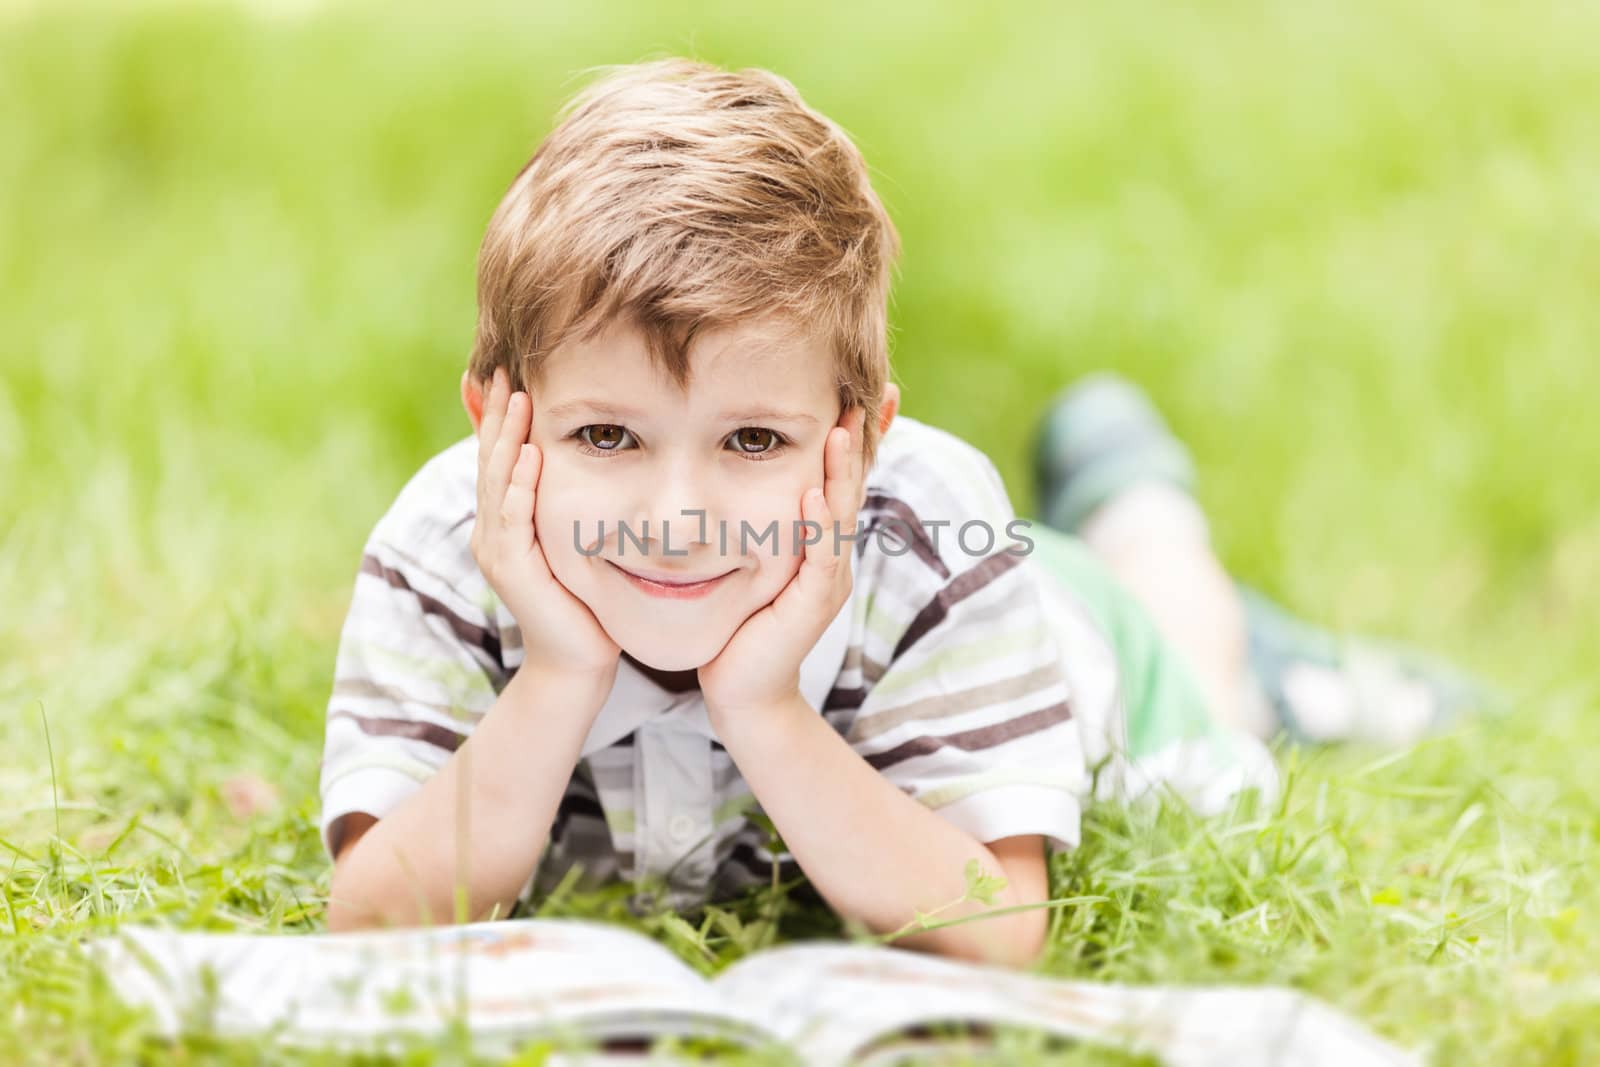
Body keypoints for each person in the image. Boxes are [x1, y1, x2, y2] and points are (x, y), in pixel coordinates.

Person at [316, 58, 1483, 967]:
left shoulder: (929, 531)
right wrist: (557, 674)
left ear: (862, 439)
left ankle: (1139, 501)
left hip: (1038, 628)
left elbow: (995, 921)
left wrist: (764, 705)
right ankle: (1110, 488)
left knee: (1205, 681)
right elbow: (373, 919)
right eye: (606, 436)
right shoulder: (450, 544)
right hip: (946, 620)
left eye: (754, 440)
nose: (676, 516)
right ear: (495, 425)